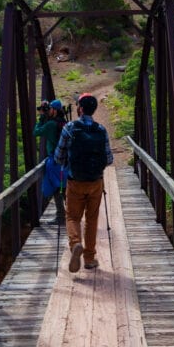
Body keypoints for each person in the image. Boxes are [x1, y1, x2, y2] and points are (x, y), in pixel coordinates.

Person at [55, 92, 113, 273]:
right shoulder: (101, 130)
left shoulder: (69, 128)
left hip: (75, 181)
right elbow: (109, 159)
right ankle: (89, 259)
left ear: (79, 109)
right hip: (96, 182)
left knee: (72, 217)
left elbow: (58, 157)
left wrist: (67, 161)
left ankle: (75, 245)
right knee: (92, 219)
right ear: (94, 110)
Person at [34, 99, 66, 224]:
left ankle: (60, 217)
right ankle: (69, 215)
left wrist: (41, 117)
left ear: (55, 110)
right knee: (63, 186)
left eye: (49, 109)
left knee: (55, 188)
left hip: (54, 160)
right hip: (65, 160)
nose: (48, 111)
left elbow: (36, 132)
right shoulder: (63, 122)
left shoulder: (51, 124)